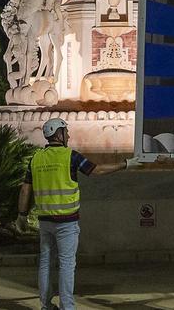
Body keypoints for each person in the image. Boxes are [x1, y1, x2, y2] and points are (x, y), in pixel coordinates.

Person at [17, 118, 140, 310]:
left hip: (45, 221)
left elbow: (25, 189)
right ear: (58, 134)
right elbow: (96, 170)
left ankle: (46, 306)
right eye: (66, 131)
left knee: (45, 263)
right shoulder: (71, 157)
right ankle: (67, 307)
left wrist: (22, 215)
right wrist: (125, 164)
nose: (68, 135)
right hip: (67, 222)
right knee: (67, 265)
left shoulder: (36, 158)